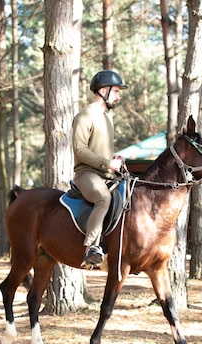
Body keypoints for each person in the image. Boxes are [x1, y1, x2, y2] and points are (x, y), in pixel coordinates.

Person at [72, 70, 128, 268]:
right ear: (103, 90)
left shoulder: (106, 118)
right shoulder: (85, 116)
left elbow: (99, 150)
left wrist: (113, 159)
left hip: (105, 174)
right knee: (103, 198)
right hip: (86, 174)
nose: (118, 96)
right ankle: (91, 248)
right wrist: (107, 163)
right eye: (116, 91)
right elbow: (79, 150)